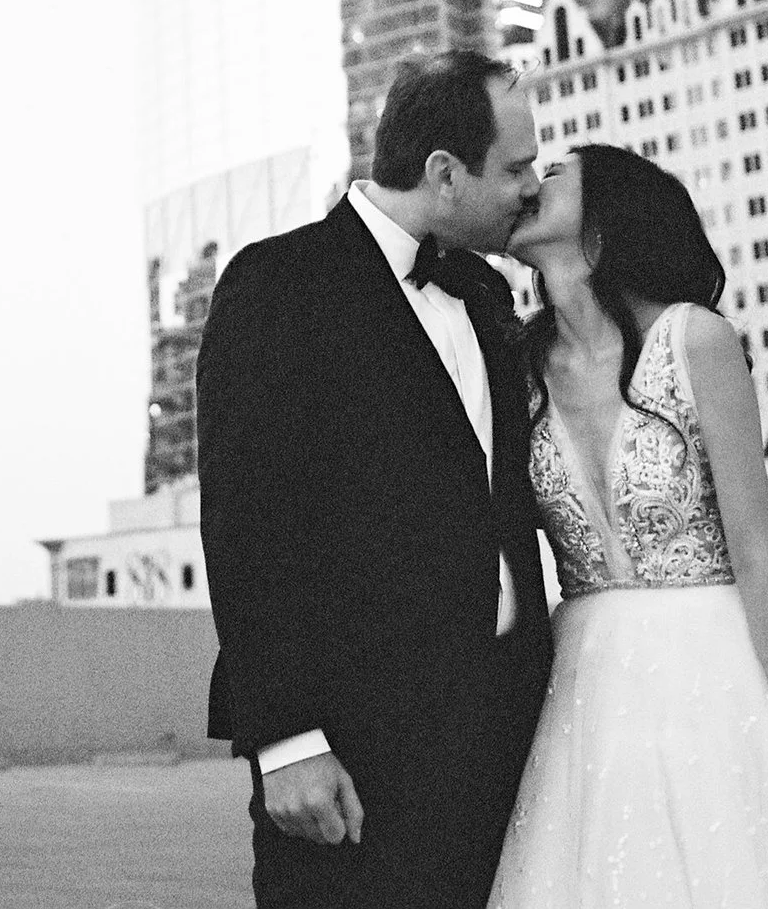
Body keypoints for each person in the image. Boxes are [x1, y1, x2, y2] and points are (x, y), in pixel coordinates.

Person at [487, 142, 768, 909]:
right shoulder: (518, 363)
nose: (531, 183)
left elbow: (758, 555)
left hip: (713, 675)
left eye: (553, 174)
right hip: (584, 687)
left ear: (607, 215)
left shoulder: (695, 341)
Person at [197, 51, 555, 907]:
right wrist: (285, 739)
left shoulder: (483, 296)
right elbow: (247, 529)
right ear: (443, 173)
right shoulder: (278, 283)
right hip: (355, 760)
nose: (530, 187)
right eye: (515, 168)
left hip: (504, 738)